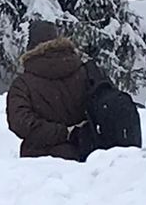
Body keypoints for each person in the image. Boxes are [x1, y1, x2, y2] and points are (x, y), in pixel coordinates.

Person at [6, 20, 89, 161]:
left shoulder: (23, 84)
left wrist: (61, 133)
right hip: (82, 154)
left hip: (37, 161)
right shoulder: (84, 73)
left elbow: (20, 122)